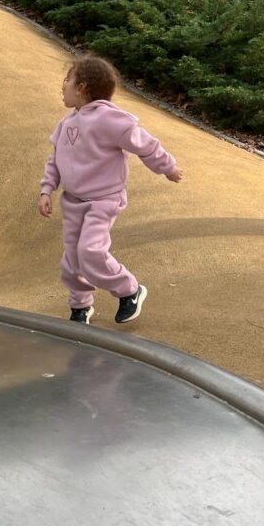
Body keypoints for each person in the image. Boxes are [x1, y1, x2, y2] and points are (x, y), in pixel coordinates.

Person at [38, 55, 183, 325]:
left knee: (90, 251)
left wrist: (167, 167)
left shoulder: (109, 118)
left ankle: (130, 290)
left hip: (103, 200)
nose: (63, 85)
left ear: (81, 87)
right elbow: (55, 159)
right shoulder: (67, 123)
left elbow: (144, 144)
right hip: (73, 201)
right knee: (72, 259)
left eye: (67, 80)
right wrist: (47, 189)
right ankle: (80, 307)